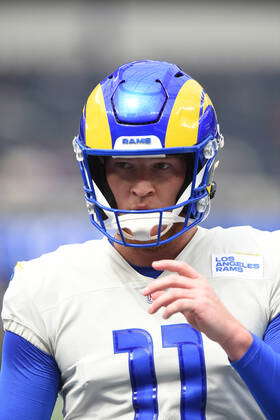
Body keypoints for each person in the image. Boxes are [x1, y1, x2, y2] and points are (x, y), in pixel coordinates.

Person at [0, 60, 279, 420]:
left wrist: (235, 338)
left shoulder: (266, 262)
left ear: (198, 168)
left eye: (161, 166)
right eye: (124, 166)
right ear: (98, 171)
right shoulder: (43, 286)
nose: (142, 187)